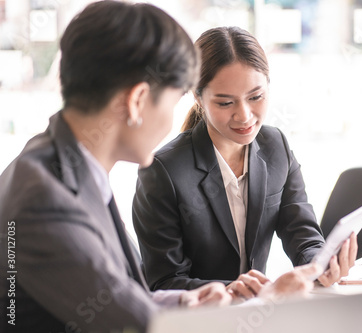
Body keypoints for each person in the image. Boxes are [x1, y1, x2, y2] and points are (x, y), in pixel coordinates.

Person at [0, 2, 320, 332]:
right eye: (173, 100)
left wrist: (185, 301)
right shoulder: (45, 200)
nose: (172, 121)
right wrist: (269, 302)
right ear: (137, 101)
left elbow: (121, 296)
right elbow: (134, 326)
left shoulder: (62, 166)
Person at [132, 26, 358, 301]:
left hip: (258, 316)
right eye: (226, 102)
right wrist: (241, 292)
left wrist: (320, 264)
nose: (245, 115)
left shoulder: (276, 147)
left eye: (256, 97)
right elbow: (165, 281)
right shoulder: (162, 171)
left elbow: (302, 232)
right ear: (198, 98)